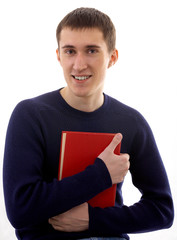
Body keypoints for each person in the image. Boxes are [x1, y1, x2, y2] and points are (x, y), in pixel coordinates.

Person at [3, 7, 174, 240]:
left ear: (112, 57)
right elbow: (20, 210)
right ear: (58, 56)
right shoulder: (31, 115)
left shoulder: (132, 122)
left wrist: (94, 220)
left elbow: (163, 211)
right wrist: (101, 174)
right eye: (70, 51)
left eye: (91, 50)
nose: (79, 64)